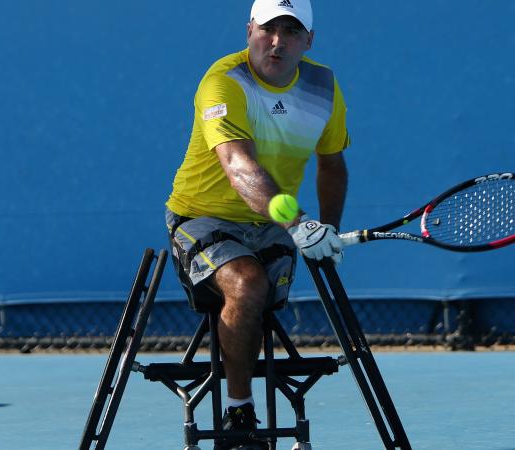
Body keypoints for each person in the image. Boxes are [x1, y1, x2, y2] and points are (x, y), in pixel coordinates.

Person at [165, 0, 349, 447]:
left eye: (291, 31)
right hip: (201, 217)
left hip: (273, 227)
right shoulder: (223, 82)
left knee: (260, 294)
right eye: (268, 29)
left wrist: (328, 231)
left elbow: (332, 165)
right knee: (247, 285)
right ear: (249, 30)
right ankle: (239, 412)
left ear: (309, 41)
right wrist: (301, 224)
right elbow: (238, 166)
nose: (277, 41)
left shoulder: (324, 86)